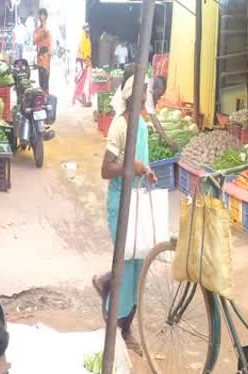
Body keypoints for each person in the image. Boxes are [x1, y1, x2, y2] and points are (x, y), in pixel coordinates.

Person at [93, 76, 157, 345]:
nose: (147, 95)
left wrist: (147, 172)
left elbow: (142, 163)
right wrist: (132, 167)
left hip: (137, 200)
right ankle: (115, 325)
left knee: (138, 264)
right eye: (143, 91)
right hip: (120, 201)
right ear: (133, 95)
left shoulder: (141, 125)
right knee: (126, 264)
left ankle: (124, 321)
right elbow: (106, 170)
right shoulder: (120, 126)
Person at [110, 67, 177, 151]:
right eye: (159, 94)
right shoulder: (147, 89)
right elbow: (154, 120)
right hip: (121, 107)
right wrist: (168, 140)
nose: (159, 97)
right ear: (155, 88)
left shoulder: (148, 84)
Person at [34, 8, 52, 94]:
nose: (40, 17)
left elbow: (49, 44)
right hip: (39, 57)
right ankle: (41, 98)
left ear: (46, 17)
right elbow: (35, 41)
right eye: (40, 15)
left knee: (45, 80)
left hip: (46, 57)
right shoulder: (38, 29)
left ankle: (46, 97)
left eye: (42, 15)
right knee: (40, 80)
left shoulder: (48, 28)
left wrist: (49, 58)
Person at [73, 23, 92, 106]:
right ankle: (78, 97)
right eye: (86, 29)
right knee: (81, 80)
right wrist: (85, 59)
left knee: (83, 80)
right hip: (82, 61)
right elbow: (82, 50)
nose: (88, 31)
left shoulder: (86, 38)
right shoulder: (83, 37)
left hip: (84, 61)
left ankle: (80, 97)